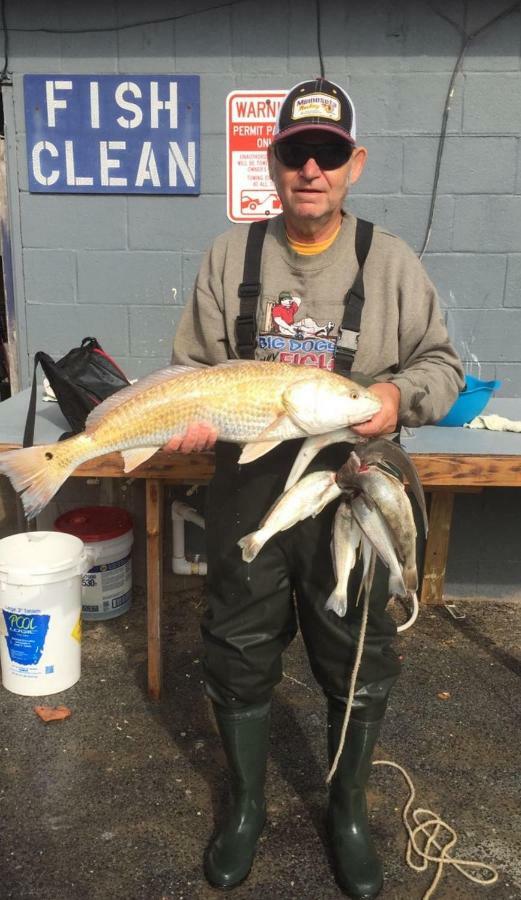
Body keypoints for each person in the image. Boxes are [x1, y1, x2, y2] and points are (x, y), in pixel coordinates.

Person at [168, 78, 464, 899]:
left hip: (352, 487)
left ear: (351, 164)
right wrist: (191, 415)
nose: (309, 167)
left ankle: (348, 810)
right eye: (294, 151)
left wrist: (396, 399)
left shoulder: (391, 261)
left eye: (327, 153)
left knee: (359, 653)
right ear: (272, 163)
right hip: (252, 489)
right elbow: (193, 370)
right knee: (236, 649)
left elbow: (441, 366)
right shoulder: (231, 256)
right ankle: (246, 807)